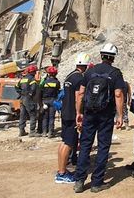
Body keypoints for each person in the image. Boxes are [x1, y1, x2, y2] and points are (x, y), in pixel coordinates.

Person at [73, 43, 125, 193]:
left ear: (101, 55)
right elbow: (118, 94)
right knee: (103, 147)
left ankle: (79, 181)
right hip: (106, 115)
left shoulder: (90, 71)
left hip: (89, 113)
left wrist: (79, 112)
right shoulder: (115, 73)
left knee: (85, 146)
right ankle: (96, 183)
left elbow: (81, 94)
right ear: (113, 57)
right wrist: (120, 115)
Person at [55, 53, 91, 184]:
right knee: (69, 143)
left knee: (64, 142)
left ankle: (61, 170)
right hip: (71, 114)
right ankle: (62, 173)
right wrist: (79, 114)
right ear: (85, 66)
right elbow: (78, 97)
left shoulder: (70, 76)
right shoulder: (80, 78)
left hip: (65, 112)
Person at [15, 64, 38, 137]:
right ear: (33, 72)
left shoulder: (22, 79)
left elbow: (16, 87)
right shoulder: (32, 79)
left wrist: (20, 92)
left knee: (22, 115)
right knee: (32, 114)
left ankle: (21, 131)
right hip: (28, 99)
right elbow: (34, 88)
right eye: (35, 72)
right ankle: (32, 132)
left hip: (22, 98)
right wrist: (31, 94)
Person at [41, 66, 61, 137]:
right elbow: (58, 91)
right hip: (53, 100)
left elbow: (41, 89)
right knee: (51, 117)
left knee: (45, 117)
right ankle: (50, 132)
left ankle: (44, 132)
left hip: (45, 100)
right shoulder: (57, 82)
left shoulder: (45, 82)